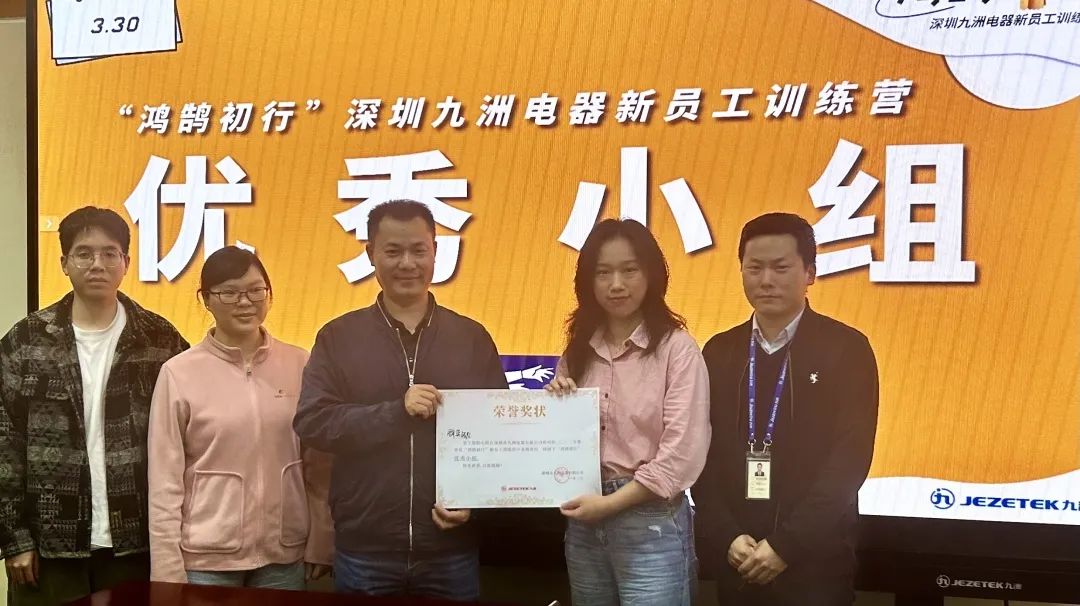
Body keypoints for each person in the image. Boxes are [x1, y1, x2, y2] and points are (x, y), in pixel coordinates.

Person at [293, 200, 508, 601]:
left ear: (435, 252)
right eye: (393, 251)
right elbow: (313, 422)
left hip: (450, 550)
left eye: (418, 250)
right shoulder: (338, 337)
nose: (407, 263)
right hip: (365, 550)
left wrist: (475, 505)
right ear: (370, 253)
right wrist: (396, 412)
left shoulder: (471, 338)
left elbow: (499, 435)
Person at [0, 207, 188, 606]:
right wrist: (14, 538)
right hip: (48, 546)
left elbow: (188, 439)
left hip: (135, 543)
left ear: (127, 263)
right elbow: (4, 445)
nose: (97, 264)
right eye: (84, 253)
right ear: (64, 262)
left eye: (109, 253)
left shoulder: (158, 340)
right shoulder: (26, 341)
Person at [694, 213, 879, 606]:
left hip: (816, 564)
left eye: (780, 268)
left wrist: (785, 546)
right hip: (738, 559)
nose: (766, 280)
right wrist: (726, 536)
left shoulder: (846, 349)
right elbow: (700, 455)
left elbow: (849, 461)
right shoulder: (720, 351)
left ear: (810, 272)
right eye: (754, 268)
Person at [545, 218, 710, 606]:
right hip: (584, 520)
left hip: (651, 522)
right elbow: (559, 444)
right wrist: (555, 405)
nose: (616, 284)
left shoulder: (677, 350)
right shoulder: (578, 351)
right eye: (603, 273)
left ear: (651, 274)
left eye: (629, 270)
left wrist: (608, 505)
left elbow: (681, 455)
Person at [147, 246, 333, 589]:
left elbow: (317, 465)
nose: (245, 302)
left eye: (255, 290)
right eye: (229, 292)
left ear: (269, 294)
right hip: (206, 561)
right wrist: (167, 572)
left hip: (283, 557)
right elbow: (164, 482)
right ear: (206, 300)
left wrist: (321, 538)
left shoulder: (299, 363)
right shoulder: (179, 373)